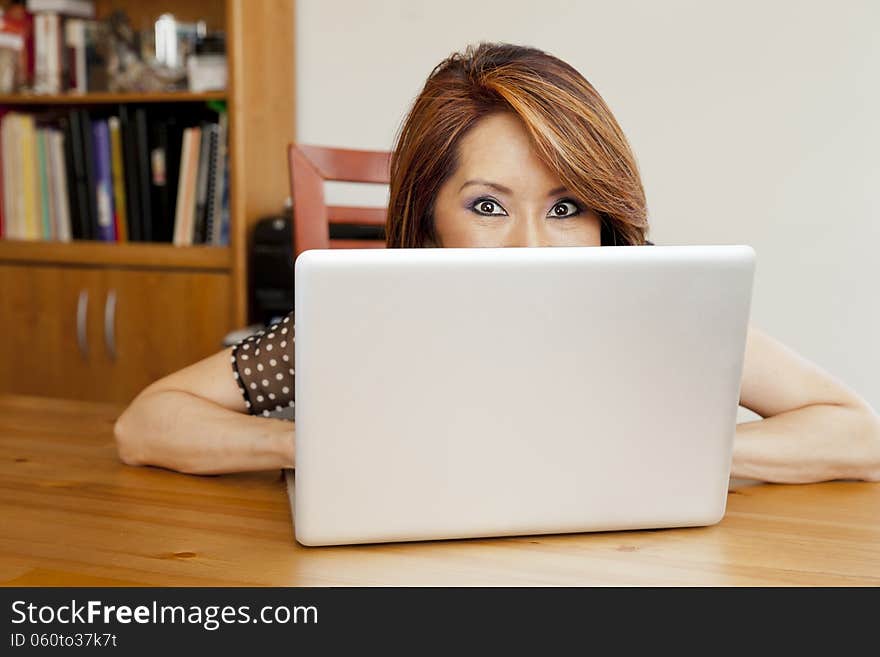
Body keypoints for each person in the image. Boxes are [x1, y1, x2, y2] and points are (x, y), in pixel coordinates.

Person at [113, 43, 880, 482]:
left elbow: (856, 433)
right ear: (429, 218)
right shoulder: (365, 317)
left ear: (603, 216)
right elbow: (145, 424)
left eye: (566, 206)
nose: (531, 246)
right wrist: (305, 443)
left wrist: (661, 456)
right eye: (487, 206)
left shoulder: (654, 305)